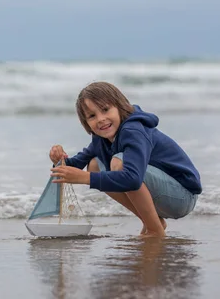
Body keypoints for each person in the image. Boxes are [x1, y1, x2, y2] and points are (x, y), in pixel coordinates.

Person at [49, 81, 202, 237]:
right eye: (92, 116)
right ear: (86, 123)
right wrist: (58, 159)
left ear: (120, 107)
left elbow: (133, 179)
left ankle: (155, 230)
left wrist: (87, 179)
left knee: (119, 163)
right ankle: (154, 222)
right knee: (94, 164)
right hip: (162, 194)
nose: (101, 119)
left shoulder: (133, 130)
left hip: (182, 196)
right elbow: (73, 166)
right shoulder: (100, 140)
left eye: (105, 109)